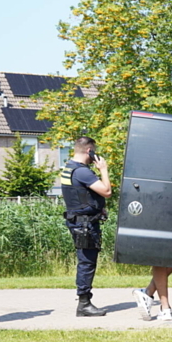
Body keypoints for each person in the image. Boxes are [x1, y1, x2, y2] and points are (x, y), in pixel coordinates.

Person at [60, 136, 112, 317]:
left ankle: (84, 301)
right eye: (94, 152)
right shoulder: (82, 172)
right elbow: (107, 191)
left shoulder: (69, 167)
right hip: (84, 224)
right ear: (89, 151)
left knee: (85, 261)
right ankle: (84, 304)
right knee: (87, 262)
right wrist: (104, 170)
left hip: (79, 220)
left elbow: (80, 195)